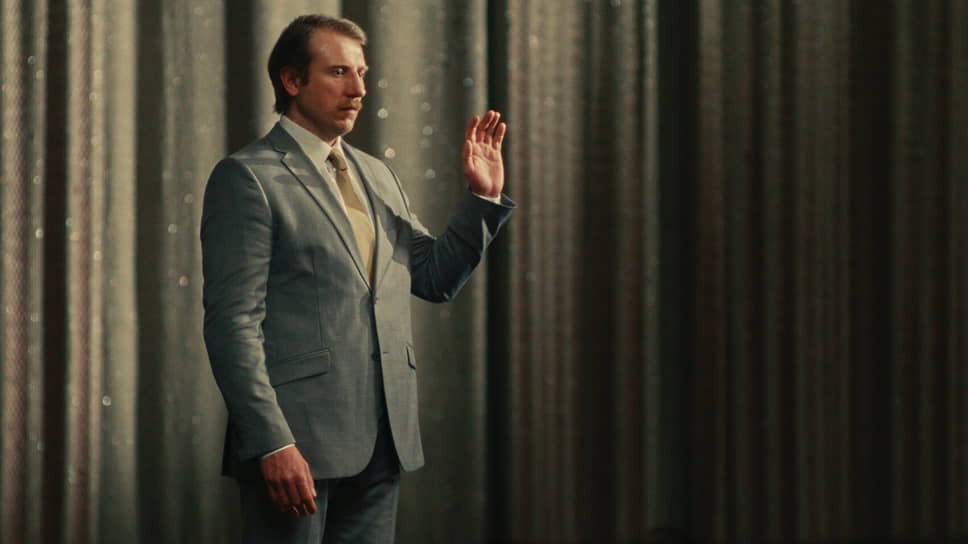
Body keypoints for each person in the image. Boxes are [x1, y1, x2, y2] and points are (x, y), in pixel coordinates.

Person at [200, 13, 514, 543]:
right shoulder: (247, 177)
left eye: (362, 73)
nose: (359, 90)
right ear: (291, 80)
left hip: (382, 442)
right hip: (296, 446)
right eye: (339, 72)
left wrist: (482, 198)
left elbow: (433, 277)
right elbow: (232, 325)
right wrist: (272, 442)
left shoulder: (377, 174)